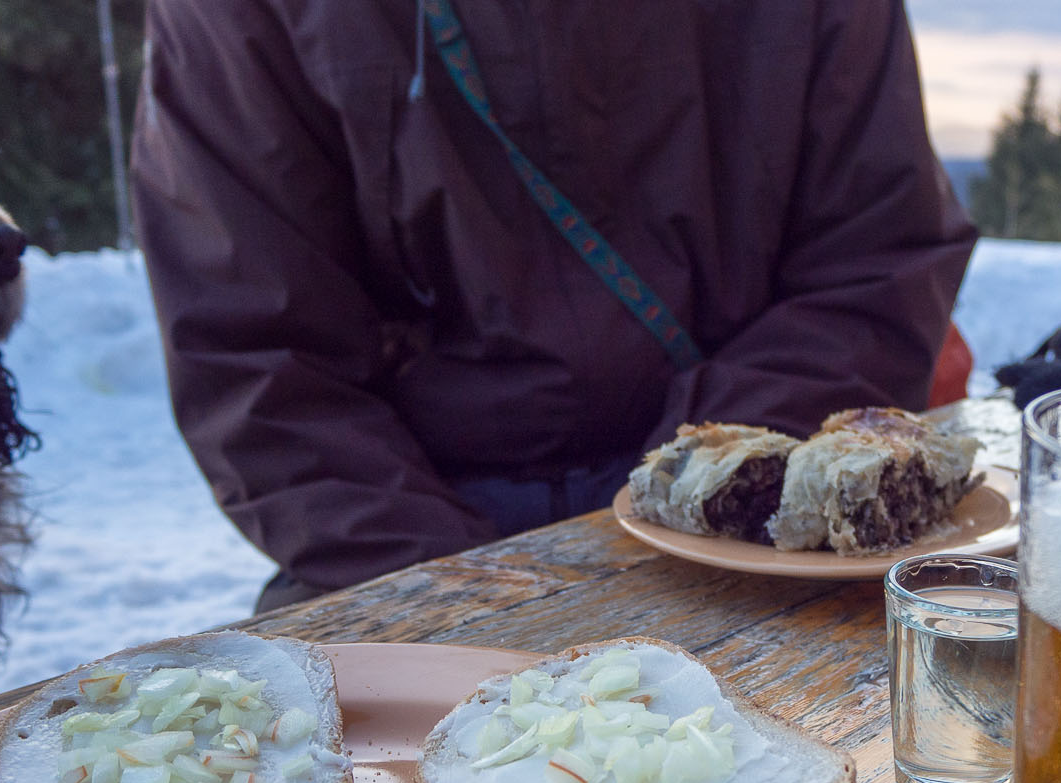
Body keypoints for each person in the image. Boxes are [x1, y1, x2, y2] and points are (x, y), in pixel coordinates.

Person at [130, 0, 977, 608]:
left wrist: (712, 492)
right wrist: (460, 592)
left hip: (748, 499)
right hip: (400, 523)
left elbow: (874, 258)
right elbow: (261, 359)